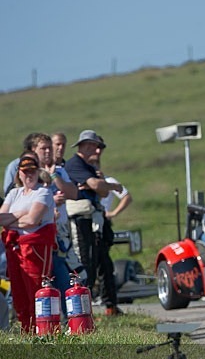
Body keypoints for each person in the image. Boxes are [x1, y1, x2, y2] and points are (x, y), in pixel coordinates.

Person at [64, 130, 124, 316]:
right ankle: (81, 309)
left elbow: (102, 193)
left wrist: (98, 185)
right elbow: (100, 187)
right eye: (95, 146)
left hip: (91, 217)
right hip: (81, 218)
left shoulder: (88, 167)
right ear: (86, 145)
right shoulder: (76, 164)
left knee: (99, 262)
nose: (97, 151)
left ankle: (104, 306)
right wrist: (111, 185)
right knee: (85, 262)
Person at [0, 154, 56, 333]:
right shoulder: (14, 193)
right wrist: (21, 213)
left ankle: (43, 329)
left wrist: (14, 220)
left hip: (35, 248)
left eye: (32, 171)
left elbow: (33, 220)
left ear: (38, 172)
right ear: (19, 174)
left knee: (36, 288)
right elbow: (2, 218)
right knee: (19, 292)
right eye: (25, 172)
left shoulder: (43, 192)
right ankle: (27, 329)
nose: (29, 175)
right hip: (15, 248)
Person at [32, 133, 79, 324]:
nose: (49, 152)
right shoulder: (30, 172)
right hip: (40, 234)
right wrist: (51, 203)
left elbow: (73, 193)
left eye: (50, 148)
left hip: (60, 234)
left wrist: (54, 176)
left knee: (64, 275)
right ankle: (46, 322)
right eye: (44, 148)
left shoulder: (58, 170)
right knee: (46, 278)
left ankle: (69, 321)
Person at [87, 149, 133, 308]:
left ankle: (108, 300)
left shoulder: (108, 181)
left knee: (104, 262)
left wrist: (113, 213)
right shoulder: (84, 182)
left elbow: (127, 196)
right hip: (87, 222)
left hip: (103, 221)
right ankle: (90, 295)